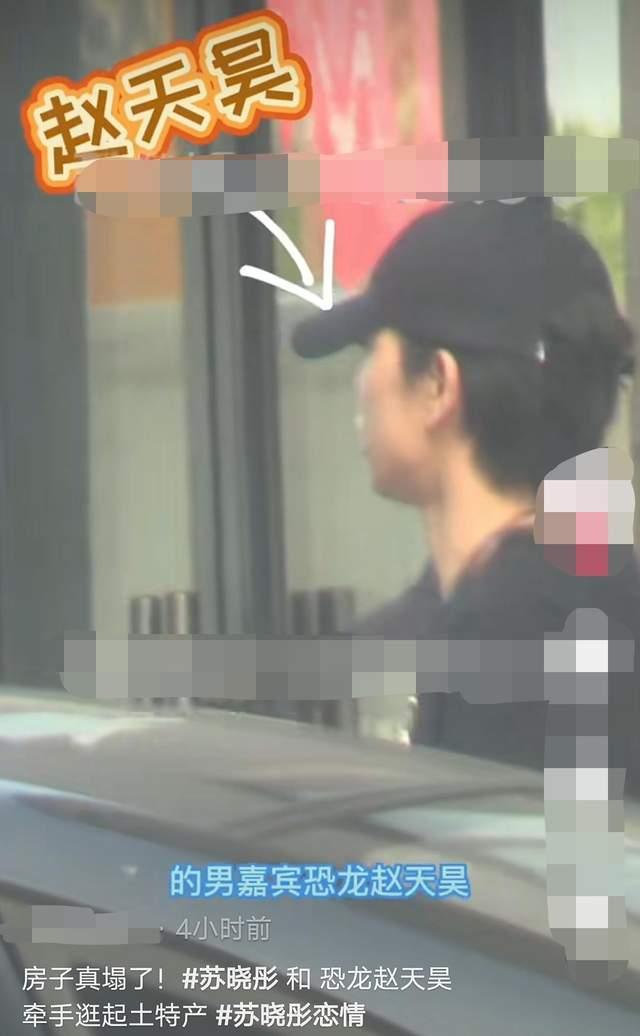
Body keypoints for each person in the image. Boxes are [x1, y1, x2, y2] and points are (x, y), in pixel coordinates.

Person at [292, 198, 640, 778]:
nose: (361, 383)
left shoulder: (509, 641)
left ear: (438, 383)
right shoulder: (592, 594)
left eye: (372, 350)